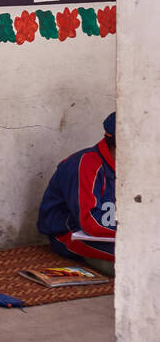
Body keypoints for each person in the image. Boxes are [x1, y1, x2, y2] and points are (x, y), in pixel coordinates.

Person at [37, 112, 116, 277]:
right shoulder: (86, 164)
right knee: (139, 257)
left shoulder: (139, 164)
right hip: (72, 234)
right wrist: (134, 236)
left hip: (113, 234)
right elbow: (90, 223)